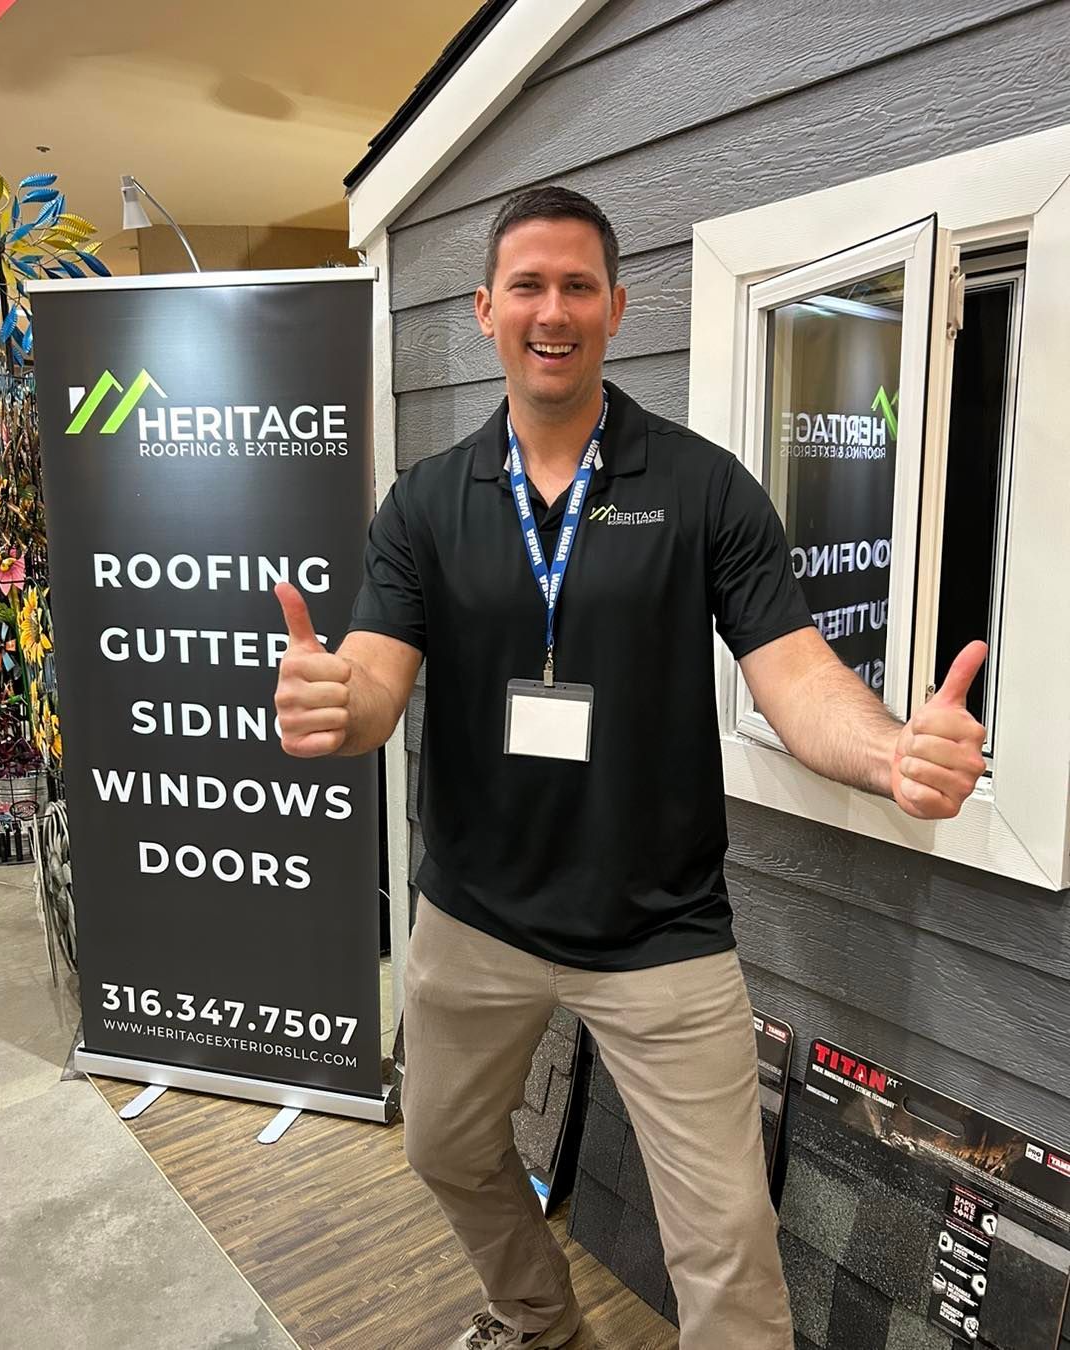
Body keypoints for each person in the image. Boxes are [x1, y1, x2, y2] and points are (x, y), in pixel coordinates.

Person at [273, 186, 988, 1350]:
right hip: (474, 916)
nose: (551, 311)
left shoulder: (702, 488)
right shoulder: (426, 504)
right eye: (527, 287)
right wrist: (332, 703)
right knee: (443, 1147)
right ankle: (535, 1316)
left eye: (575, 287)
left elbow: (797, 675)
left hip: (660, 933)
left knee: (727, 1262)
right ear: (485, 309)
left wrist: (892, 749)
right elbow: (373, 679)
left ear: (615, 305)